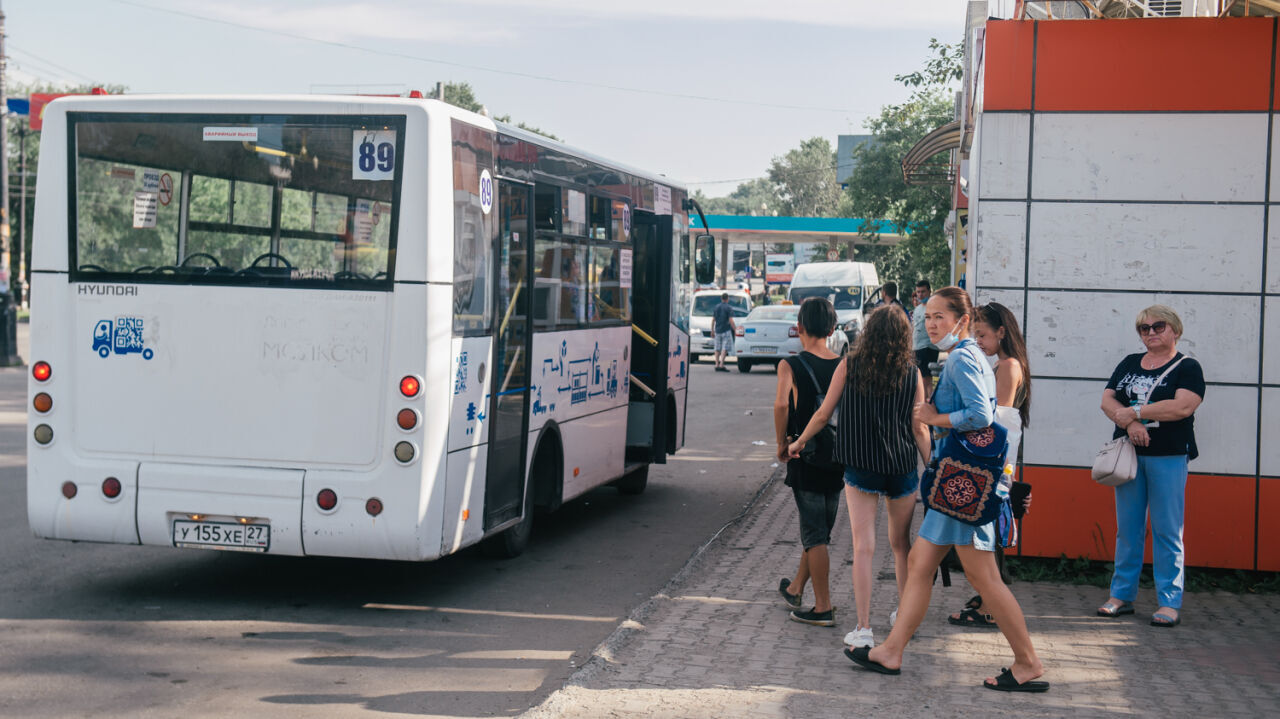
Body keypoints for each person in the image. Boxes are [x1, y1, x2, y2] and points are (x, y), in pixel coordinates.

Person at [846, 286, 1048, 693]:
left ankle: (1027, 661)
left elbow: (979, 416)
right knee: (921, 567)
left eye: (941, 316)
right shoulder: (968, 356)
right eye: (928, 316)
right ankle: (891, 650)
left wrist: (935, 417)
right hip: (957, 489)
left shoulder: (960, 358)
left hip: (962, 490)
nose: (932, 323)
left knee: (986, 581)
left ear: (963, 319)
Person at [788, 306, 931, 648]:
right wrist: (934, 467)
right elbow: (919, 427)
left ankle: (864, 628)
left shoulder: (849, 365)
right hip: (901, 468)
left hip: (861, 466)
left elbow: (824, 414)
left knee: (863, 548)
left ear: (869, 332)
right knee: (901, 547)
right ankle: (903, 614)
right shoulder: (912, 373)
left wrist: (799, 441)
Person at [1097, 305, 1204, 628]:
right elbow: (1108, 400)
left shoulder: (1188, 367)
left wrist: (1137, 413)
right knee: (1127, 529)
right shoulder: (1130, 363)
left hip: (1168, 456)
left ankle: (1169, 601)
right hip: (1129, 455)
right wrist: (1130, 425)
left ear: (1175, 330)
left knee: (1167, 529)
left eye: (1158, 326)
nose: (1151, 333)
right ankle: (1121, 595)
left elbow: (1182, 406)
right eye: (1144, 329)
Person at [948, 302, 1032, 628]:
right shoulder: (1005, 364)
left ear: (1001, 331)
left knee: (988, 535)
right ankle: (986, 598)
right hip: (997, 460)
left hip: (994, 462)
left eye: (982, 335)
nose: (978, 341)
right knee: (985, 534)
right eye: (975, 335)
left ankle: (989, 605)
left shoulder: (1008, 367)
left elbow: (999, 418)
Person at [773, 297, 845, 627]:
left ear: (799, 328)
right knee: (819, 529)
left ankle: (823, 607)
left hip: (806, 455)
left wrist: (782, 443)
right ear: (832, 329)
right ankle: (796, 587)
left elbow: (781, 407)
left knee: (815, 535)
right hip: (838, 458)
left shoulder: (792, 365)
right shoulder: (845, 364)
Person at [911, 280, 938, 388]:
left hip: (928, 346)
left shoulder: (933, 307)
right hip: (917, 347)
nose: (920, 295)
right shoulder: (917, 309)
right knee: (919, 378)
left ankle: (927, 401)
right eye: (918, 292)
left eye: (923, 292)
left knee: (925, 379)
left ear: (929, 291)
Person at [712, 292, 736, 372]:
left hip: (717, 330)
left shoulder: (716, 307)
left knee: (717, 347)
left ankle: (716, 364)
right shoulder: (729, 308)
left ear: (721, 298)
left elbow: (713, 320)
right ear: (727, 299)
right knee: (725, 348)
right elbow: (730, 320)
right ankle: (721, 364)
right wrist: (735, 330)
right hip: (726, 330)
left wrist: (712, 330)